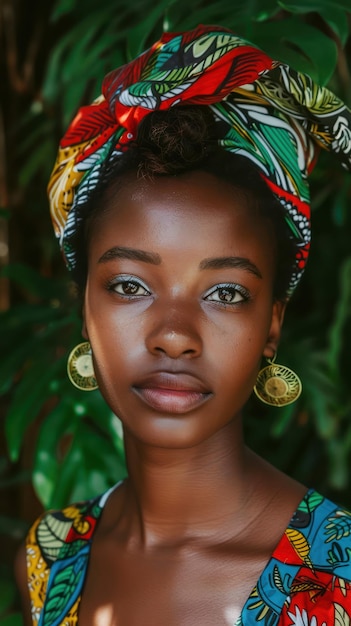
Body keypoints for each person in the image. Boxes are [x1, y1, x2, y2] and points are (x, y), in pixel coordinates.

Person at [15, 24, 351, 626]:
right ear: (85, 306)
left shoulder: (340, 580)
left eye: (226, 292)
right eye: (129, 286)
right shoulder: (50, 560)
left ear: (272, 323)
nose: (174, 333)